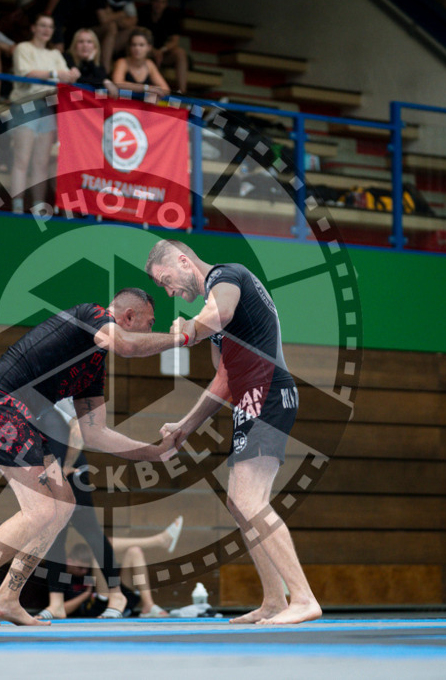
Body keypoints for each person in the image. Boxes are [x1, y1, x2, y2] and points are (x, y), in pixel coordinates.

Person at [0, 288, 186, 627]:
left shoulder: (94, 366)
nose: (151, 331)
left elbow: (94, 432)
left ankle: (7, 597)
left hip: (24, 419)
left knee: (65, 504)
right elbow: (129, 346)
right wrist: (181, 338)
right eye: (149, 324)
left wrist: (153, 453)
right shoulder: (90, 314)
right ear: (128, 317)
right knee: (41, 508)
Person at [146, 240, 322, 625]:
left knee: (250, 499)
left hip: (270, 391)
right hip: (250, 398)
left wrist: (188, 332)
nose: (169, 291)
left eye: (166, 281)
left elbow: (218, 310)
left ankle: (304, 598)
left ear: (182, 259)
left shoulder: (228, 276)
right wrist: (185, 426)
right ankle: (275, 600)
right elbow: (223, 380)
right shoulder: (216, 324)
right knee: (238, 502)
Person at [36, 397, 180, 619]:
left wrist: (66, 465)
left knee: (91, 532)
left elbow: (77, 428)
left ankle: (116, 594)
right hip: (53, 471)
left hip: (71, 470)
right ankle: (55, 603)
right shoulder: (32, 401)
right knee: (55, 536)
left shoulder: (58, 394)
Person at [8, 13, 78, 214]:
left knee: (40, 162)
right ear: (33, 28)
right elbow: (26, 73)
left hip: (46, 108)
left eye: (50, 26)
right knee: (22, 159)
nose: (47, 30)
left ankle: (38, 209)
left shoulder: (55, 55)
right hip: (25, 106)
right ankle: (17, 208)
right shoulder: (23, 48)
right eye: (42, 25)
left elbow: (66, 80)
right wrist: (56, 75)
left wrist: (73, 75)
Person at [137, 0, 187, 95]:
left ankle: (182, 92)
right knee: (138, 49)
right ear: (151, 1)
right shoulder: (142, 12)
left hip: (163, 53)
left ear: (166, 4)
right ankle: (142, 89)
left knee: (180, 53)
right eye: (156, 1)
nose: (159, 5)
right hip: (145, 51)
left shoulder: (172, 16)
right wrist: (152, 51)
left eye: (162, 2)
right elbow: (136, 36)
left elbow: (175, 40)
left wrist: (162, 50)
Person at [111, 27, 168, 97]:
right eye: (133, 45)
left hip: (142, 106)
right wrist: (146, 88)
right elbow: (117, 83)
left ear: (149, 47)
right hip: (121, 103)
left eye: (141, 45)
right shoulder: (122, 62)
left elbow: (165, 89)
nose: (137, 48)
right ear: (129, 47)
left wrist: (154, 94)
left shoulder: (149, 64)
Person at [63, 28, 115, 93]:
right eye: (81, 41)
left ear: (95, 46)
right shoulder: (67, 58)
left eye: (89, 42)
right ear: (75, 45)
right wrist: (103, 81)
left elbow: (100, 78)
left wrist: (90, 62)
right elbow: (78, 79)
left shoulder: (98, 65)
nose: (85, 45)